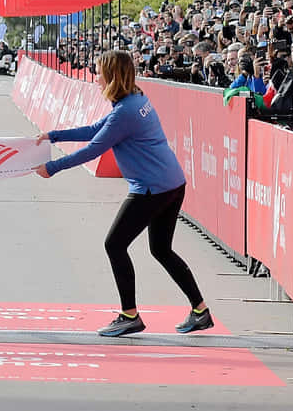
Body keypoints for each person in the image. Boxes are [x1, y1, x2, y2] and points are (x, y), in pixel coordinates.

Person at [33, 50, 212, 337]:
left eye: (99, 71)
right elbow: (96, 129)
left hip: (153, 187)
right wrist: (55, 135)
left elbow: (94, 149)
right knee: (161, 249)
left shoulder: (126, 112)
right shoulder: (134, 99)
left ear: (112, 76)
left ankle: (130, 315)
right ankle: (200, 310)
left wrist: (52, 167)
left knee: (115, 244)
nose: (95, 77)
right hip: (172, 182)